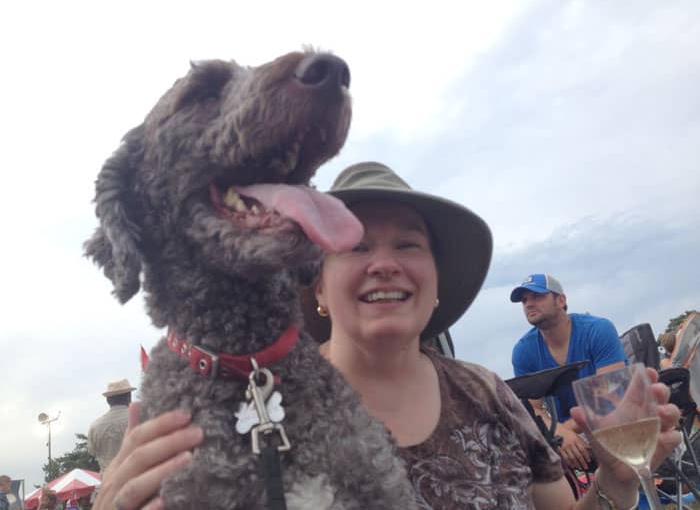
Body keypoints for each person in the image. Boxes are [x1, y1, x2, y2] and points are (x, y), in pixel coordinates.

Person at [91, 162, 681, 510]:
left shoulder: (488, 395)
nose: (385, 263)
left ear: (435, 283)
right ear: (317, 286)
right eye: (354, 246)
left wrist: (616, 477)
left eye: (408, 244)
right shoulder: (257, 413)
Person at [510, 273, 628, 472]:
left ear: (561, 300)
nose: (529, 304)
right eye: (524, 300)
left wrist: (561, 434)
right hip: (566, 432)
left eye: (537, 296)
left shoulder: (598, 330)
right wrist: (558, 433)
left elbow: (611, 400)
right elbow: (533, 411)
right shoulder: (523, 351)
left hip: (615, 421)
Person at [88, 379, 137, 472]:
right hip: (137, 477)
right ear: (129, 397)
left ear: (108, 400)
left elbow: (92, 452)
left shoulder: (95, 426)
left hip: (109, 481)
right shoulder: (140, 417)